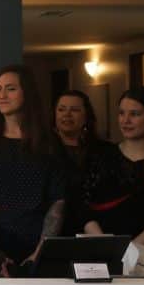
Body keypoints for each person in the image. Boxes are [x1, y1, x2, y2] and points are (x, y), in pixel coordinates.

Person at [0, 65, 65, 274]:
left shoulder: (49, 143)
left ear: (27, 92)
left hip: (39, 247)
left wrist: (39, 253)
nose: (2, 95)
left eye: (11, 89)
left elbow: (57, 202)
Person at [82, 87, 144, 246]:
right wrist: (104, 244)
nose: (125, 120)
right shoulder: (102, 155)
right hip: (103, 248)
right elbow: (85, 207)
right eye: (121, 113)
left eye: (134, 114)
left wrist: (131, 249)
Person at [50, 90, 119, 236]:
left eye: (74, 110)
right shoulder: (44, 150)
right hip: (56, 229)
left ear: (86, 116)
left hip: (97, 228)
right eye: (61, 109)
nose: (67, 114)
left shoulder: (105, 151)